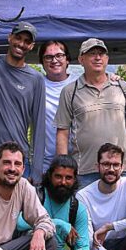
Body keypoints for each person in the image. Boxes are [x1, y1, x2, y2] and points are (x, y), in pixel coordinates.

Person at [55, 38, 126, 189]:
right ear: (81, 59)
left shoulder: (122, 87)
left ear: (107, 59)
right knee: (83, 213)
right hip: (83, 172)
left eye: (101, 54)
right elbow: (62, 132)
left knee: (123, 213)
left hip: (120, 170)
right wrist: (63, 170)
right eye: (92, 54)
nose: (97, 57)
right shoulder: (70, 91)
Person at [17, 155, 94, 250]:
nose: (63, 182)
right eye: (58, 176)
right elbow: (19, 224)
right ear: (50, 175)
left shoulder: (77, 208)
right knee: (42, 238)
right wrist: (59, 224)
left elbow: (84, 249)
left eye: (68, 178)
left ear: (74, 180)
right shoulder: (36, 196)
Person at [0, 22, 46, 184]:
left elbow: (39, 126)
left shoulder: (35, 79)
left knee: (17, 210)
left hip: (18, 158)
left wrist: (38, 171)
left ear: (32, 46)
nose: (21, 44)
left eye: (27, 41)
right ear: (9, 37)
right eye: (18, 38)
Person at [39, 40, 76, 173]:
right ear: (42, 63)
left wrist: (111, 77)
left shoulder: (80, 84)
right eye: (48, 57)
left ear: (67, 60)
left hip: (78, 159)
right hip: (45, 161)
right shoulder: (36, 85)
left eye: (59, 55)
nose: (54, 60)